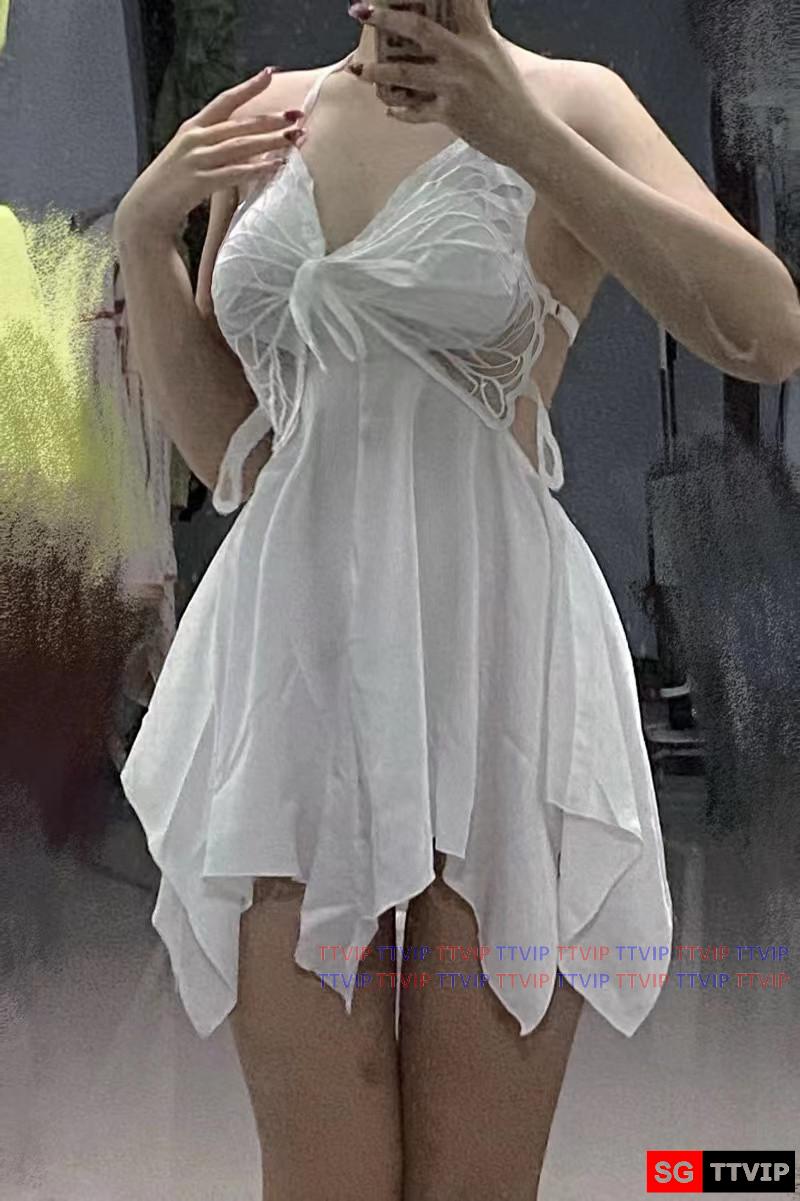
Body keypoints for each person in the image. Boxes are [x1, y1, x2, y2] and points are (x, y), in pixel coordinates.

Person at [113, 2, 800, 1199]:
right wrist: (139, 240)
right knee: (317, 1171)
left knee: (472, 1177)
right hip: (291, 670)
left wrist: (516, 131)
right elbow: (236, 450)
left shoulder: (568, 101)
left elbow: (765, 333)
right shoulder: (269, 119)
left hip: (496, 670)